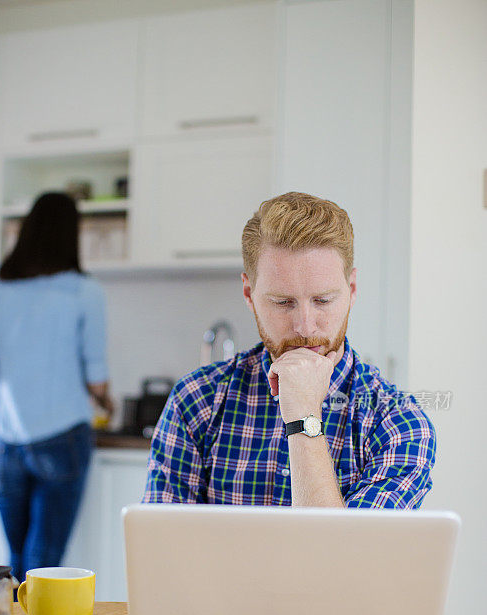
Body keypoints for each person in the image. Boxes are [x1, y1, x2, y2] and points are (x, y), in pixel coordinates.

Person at [143, 191, 436, 508]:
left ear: (351, 290)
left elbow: (338, 556)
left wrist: (304, 415)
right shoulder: (197, 399)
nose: (306, 327)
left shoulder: (396, 421)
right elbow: (163, 552)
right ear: (248, 293)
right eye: (283, 303)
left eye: (323, 300)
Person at [0, 192, 114, 580]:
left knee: (15, 555)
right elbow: (96, 377)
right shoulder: (84, 290)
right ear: (71, 234)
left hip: (4, 439)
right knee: (44, 560)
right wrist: (106, 402)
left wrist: (9, 363)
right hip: (63, 437)